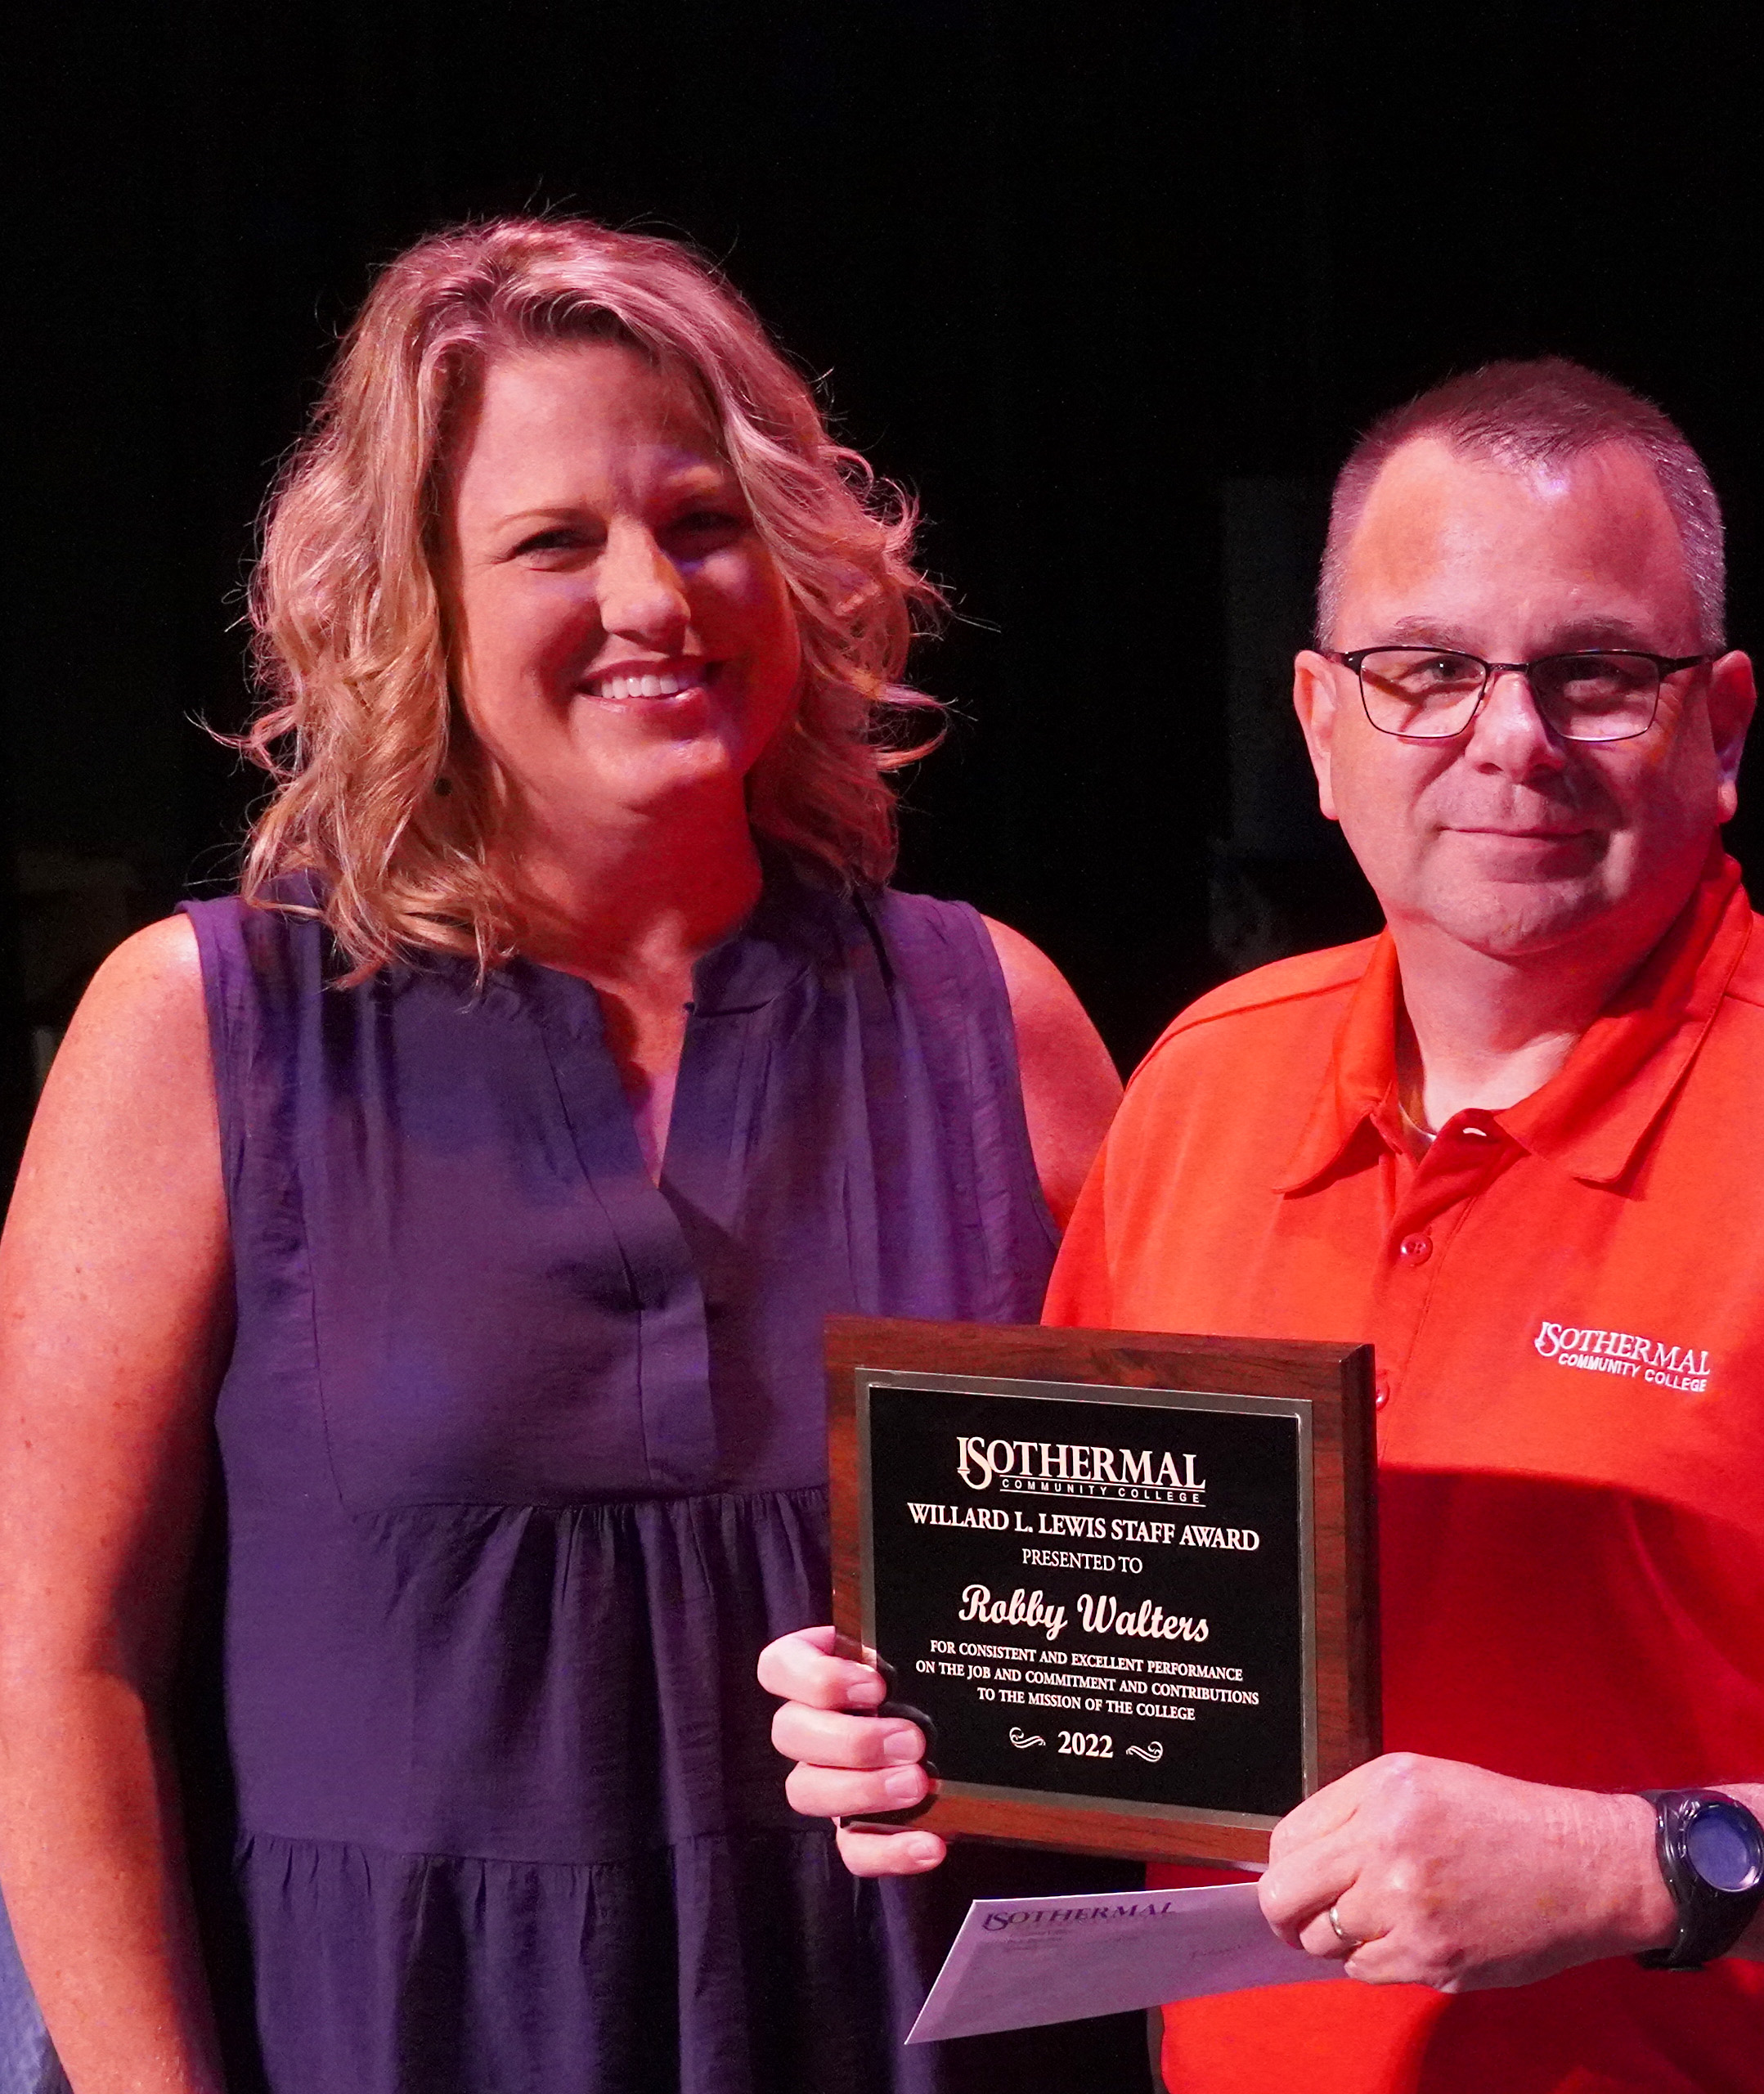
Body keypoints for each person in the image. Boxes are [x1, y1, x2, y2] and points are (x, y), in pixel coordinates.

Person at [763, 357, 1764, 2092]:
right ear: (1319, 723)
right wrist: (914, 1708)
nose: (1511, 737)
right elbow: (1092, 1622)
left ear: (1721, 728)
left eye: (1594, 674)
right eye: (1427, 669)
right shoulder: (1204, 1090)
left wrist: (1623, 1865)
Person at [0, 220, 1131, 2093]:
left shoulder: (986, 1017)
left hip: (912, 2034)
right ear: (411, 604)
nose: (657, 597)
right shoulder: (199, 1030)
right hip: (393, 2030)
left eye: (702, 522)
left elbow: (1205, 1607)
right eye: (552, 542)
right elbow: (61, 1674)